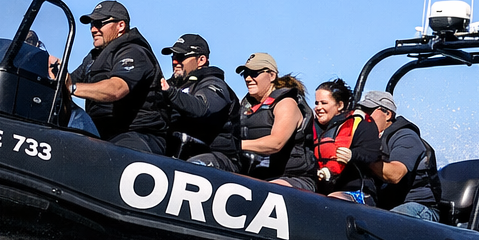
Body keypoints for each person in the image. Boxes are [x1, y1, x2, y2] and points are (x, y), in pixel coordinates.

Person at [64, 0, 169, 152]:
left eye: (99, 23)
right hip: (102, 132)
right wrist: (52, 72)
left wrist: (71, 88)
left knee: (106, 156)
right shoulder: (93, 58)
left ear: (120, 26)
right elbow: (68, 80)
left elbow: (116, 88)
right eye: (91, 24)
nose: (93, 29)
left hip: (137, 135)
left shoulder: (134, 52)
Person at [157, 34, 239, 169]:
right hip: (181, 151)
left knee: (190, 169)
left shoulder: (215, 84)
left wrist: (170, 93)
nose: (175, 61)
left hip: (219, 158)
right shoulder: (174, 85)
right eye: (174, 56)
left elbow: (202, 107)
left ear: (201, 60)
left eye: (181, 56)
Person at [358, 90, 442, 222]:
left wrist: (361, 156)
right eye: (362, 111)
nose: (365, 116)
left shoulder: (406, 137)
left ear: (387, 114)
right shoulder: (367, 138)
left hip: (419, 208)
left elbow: (395, 174)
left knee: (383, 222)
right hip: (385, 206)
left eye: (369, 111)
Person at [236, 54, 318, 188]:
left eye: (254, 73)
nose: (248, 78)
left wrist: (236, 145)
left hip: (293, 179)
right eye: (245, 74)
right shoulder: (245, 107)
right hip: (259, 177)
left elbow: (276, 143)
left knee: (268, 190)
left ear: (272, 75)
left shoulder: (286, 103)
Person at [311, 78, 380, 203]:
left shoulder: (361, 124)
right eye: (316, 103)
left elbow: (372, 153)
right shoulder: (312, 128)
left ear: (340, 105)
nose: (318, 107)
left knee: (333, 201)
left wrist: (352, 155)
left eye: (324, 103)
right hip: (323, 190)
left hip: (357, 191)